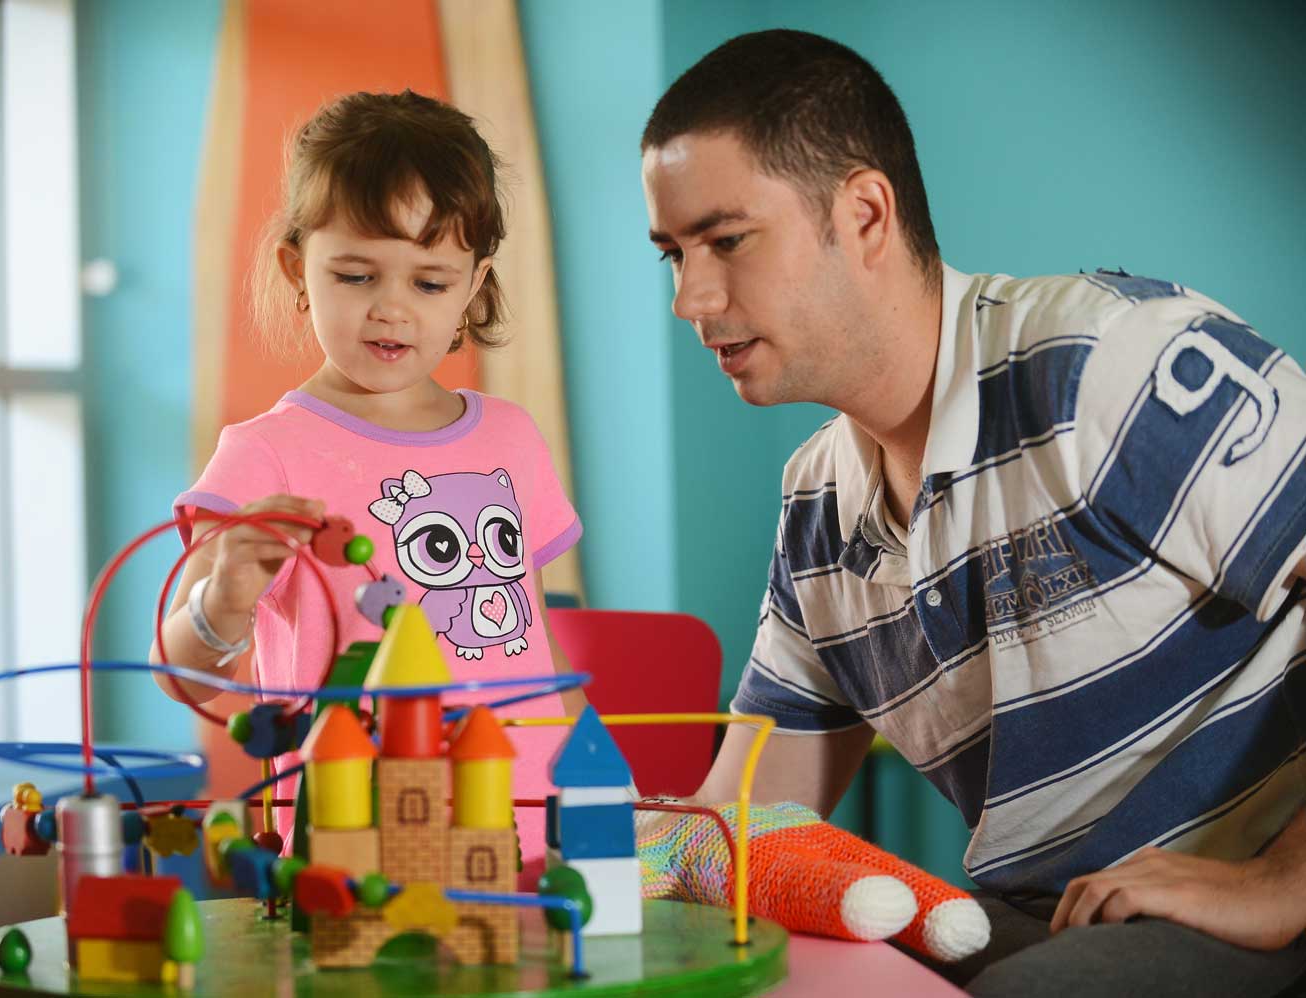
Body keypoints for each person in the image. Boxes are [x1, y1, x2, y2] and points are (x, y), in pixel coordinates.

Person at [639, 28, 1306, 996]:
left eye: (726, 241)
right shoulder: (817, 508)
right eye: (671, 253)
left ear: (865, 214)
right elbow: (735, 821)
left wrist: (1278, 883)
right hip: (1044, 921)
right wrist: (555, 841)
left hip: (1250, 910)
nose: (689, 297)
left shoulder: (1107, 364)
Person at [150, 90, 584, 862]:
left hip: (525, 831)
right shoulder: (264, 453)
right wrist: (224, 600)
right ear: (298, 268)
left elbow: (538, 639)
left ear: (473, 287)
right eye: (356, 276)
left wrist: (592, 789)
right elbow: (184, 681)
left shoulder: (512, 437)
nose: (392, 310)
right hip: (348, 844)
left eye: (429, 282)